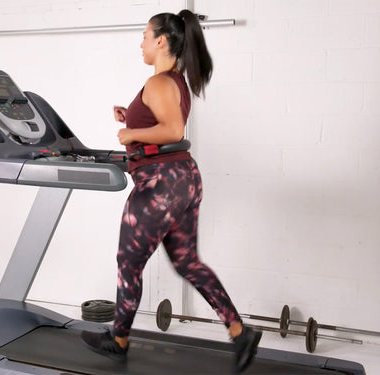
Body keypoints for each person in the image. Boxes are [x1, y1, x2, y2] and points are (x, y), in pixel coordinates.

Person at [81, 9, 262, 373]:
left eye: (146, 36)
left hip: (160, 184)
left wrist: (131, 134)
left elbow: (173, 130)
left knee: (128, 262)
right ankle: (239, 331)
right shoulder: (173, 81)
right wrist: (130, 117)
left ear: (161, 41)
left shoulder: (160, 82)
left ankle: (118, 341)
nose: (142, 43)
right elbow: (161, 122)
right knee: (187, 262)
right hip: (183, 181)